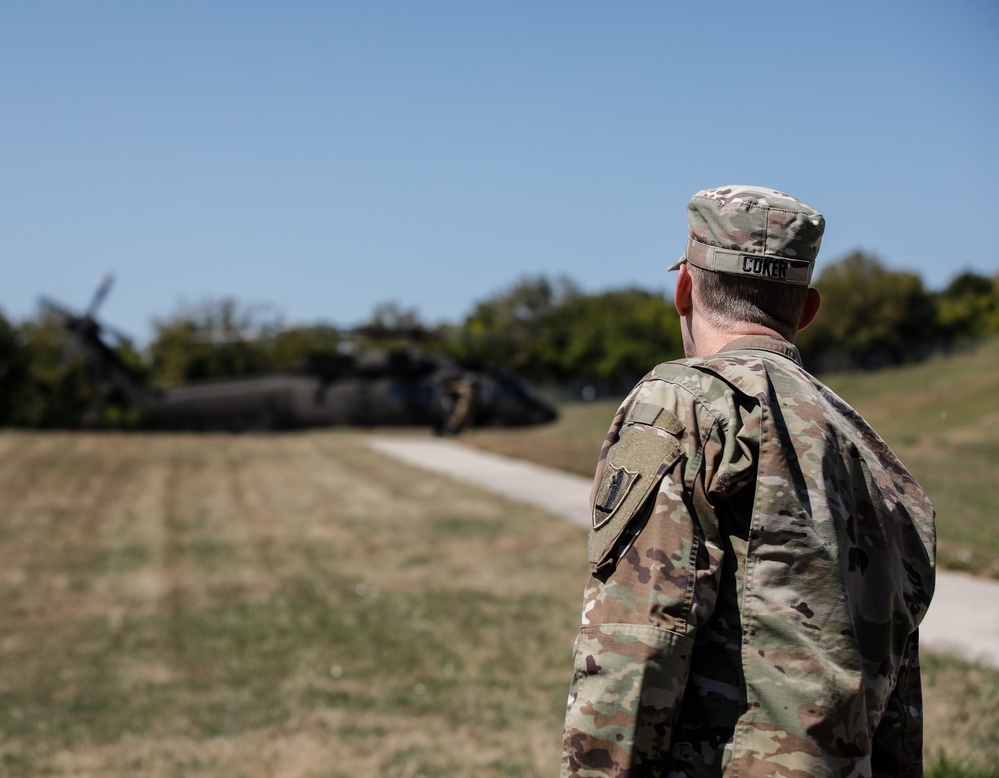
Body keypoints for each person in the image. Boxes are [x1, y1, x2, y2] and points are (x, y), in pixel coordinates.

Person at [561, 186, 936, 778]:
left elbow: (637, 640)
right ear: (807, 310)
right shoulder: (870, 453)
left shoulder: (679, 402)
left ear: (684, 290)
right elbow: (897, 696)